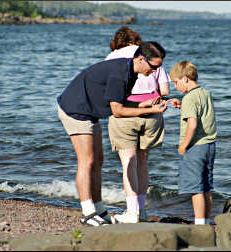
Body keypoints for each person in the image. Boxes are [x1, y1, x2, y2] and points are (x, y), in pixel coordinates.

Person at [57, 41, 167, 226]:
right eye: (154, 66)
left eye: (159, 67)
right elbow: (118, 112)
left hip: (90, 112)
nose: (156, 71)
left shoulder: (132, 72)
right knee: (87, 161)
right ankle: (87, 212)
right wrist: (152, 112)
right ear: (141, 59)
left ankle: (99, 208)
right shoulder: (120, 75)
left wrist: (146, 104)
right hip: (75, 109)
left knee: (98, 160)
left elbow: (122, 104)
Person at [105, 26, 170, 223]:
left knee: (128, 161)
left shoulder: (112, 57)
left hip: (125, 112)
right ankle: (142, 211)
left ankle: (131, 212)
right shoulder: (150, 55)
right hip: (152, 112)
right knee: (143, 163)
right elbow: (165, 90)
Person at [168, 61, 217, 225]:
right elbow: (200, 114)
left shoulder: (189, 98)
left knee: (196, 189)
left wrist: (183, 145)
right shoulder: (204, 93)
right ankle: (207, 221)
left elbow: (193, 124)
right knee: (206, 187)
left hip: (194, 147)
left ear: (186, 79)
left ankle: (199, 224)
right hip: (209, 145)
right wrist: (182, 106)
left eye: (176, 82)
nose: (175, 86)